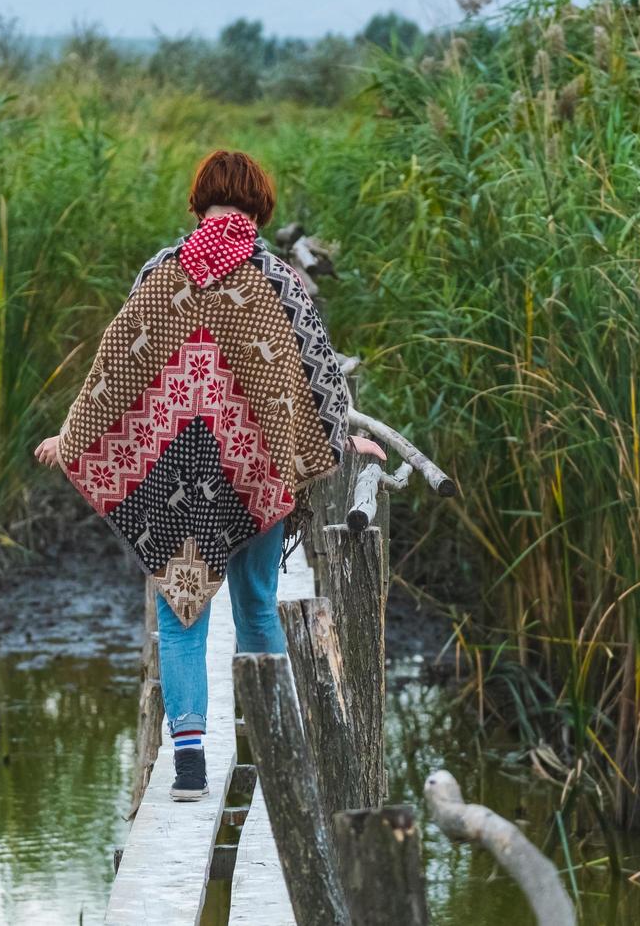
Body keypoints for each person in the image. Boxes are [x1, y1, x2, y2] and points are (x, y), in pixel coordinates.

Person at [35, 150, 384, 801]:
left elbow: (118, 367)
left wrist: (72, 437)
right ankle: (277, 744)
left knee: (180, 611)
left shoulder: (162, 273)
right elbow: (317, 382)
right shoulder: (278, 281)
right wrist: (339, 440)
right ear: (259, 205)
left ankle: (189, 763)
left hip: (177, 478)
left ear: (200, 203)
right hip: (256, 469)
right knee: (256, 606)